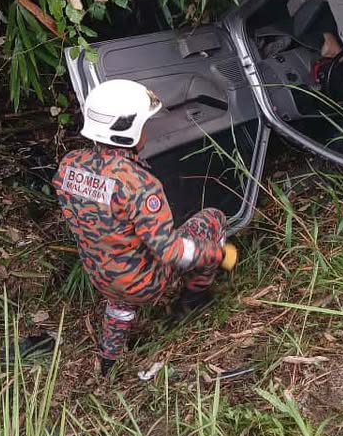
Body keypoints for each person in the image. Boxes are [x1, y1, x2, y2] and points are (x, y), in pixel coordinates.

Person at [53, 79, 233, 376]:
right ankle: (192, 302)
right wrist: (216, 253)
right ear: (131, 130)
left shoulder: (68, 165)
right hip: (146, 283)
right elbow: (171, 252)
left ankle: (109, 360)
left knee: (120, 299)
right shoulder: (139, 184)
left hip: (101, 275)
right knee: (213, 219)